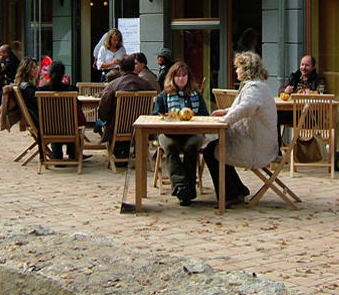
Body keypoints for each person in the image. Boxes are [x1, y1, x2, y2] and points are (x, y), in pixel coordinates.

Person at [207, 51, 278, 207]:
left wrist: (226, 119)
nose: (236, 70)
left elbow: (248, 107)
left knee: (213, 151)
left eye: (238, 67)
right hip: (256, 140)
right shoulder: (256, 86)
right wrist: (226, 111)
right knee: (215, 148)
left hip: (257, 146)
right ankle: (237, 189)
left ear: (246, 69)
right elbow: (243, 106)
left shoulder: (255, 87)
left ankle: (231, 194)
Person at [152, 62, 208, 206]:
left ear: (189, 78)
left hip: (192, 133)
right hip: (169, 133)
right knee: (170, 147)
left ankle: (188, 190)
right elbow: (155, 116)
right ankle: (181, 187)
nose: (181, 79)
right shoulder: (163, 96)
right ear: (172, 78)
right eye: (177, 76)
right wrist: (167, 118)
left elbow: (205, 115)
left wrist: (193, 118)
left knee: (191, 147)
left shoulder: (197, 95)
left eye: (184, 75)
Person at [97, 55, 156, 151]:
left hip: (117, 128)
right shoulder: (146, 84)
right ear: (133, 67)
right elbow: (153, 105)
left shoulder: (112, 85)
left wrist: (105, 120)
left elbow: (103, 110)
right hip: (141, 127)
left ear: (120, 68)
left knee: (99, 123)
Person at [37, 60, 88, 161]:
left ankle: (57, 158)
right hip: (69, 129)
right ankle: (73, 154)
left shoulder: (41, 91)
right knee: (68, 122)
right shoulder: (71, 90)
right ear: (63, 75)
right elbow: (78, 105)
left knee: (55, 123)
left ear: (49, 73)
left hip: (48, 129)